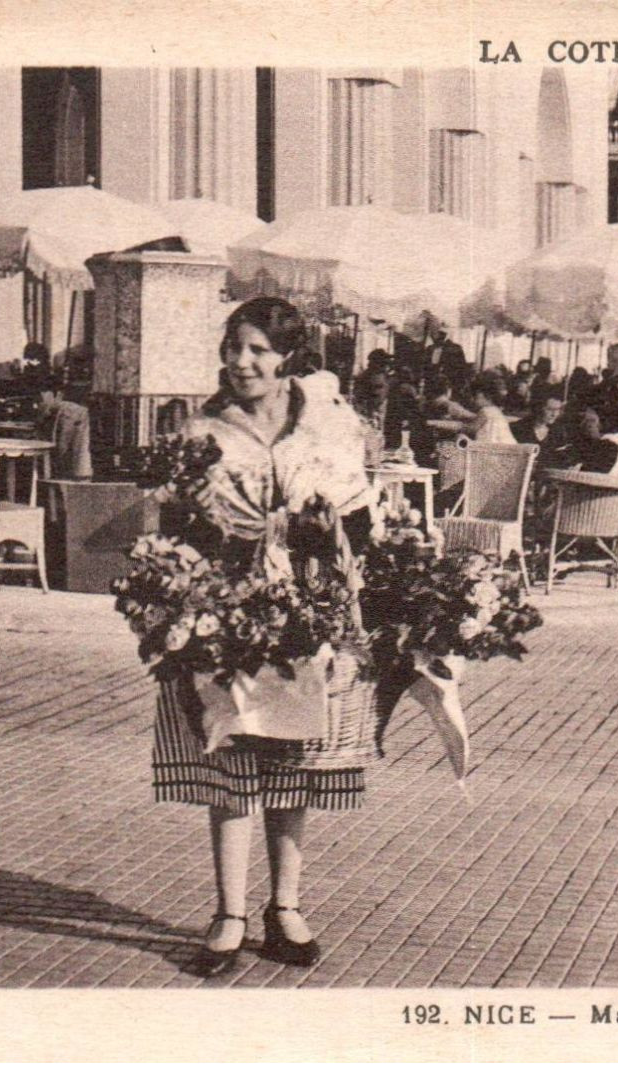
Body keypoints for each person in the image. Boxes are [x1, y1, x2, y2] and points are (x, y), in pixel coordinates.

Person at [156, 297, 385, 979]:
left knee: (293, 765)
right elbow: (173, 529)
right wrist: (184, 602)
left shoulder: (325, 433)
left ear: (288, 357)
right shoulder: (202, 431)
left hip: (306, 617)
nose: (241, 361)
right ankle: (228, 914)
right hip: (225, 620)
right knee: (231, 763)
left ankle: (284, 908)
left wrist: (328, 553)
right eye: (233, 347)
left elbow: (360, 523)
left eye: (257, 349)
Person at [35, 371, 93, 479]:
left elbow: (44, 415)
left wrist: (40, 420)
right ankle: (81, 472)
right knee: (80, 446)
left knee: (63, 446)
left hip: (67, 415)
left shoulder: (63, 407)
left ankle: (70, 473)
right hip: (78, 414)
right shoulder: (71, 406)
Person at [511, 392, 568, 463]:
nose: (554, 414)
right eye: (550, 409)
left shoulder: (558, 431)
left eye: (558, 410)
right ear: (538, 408)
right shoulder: (518, 428)